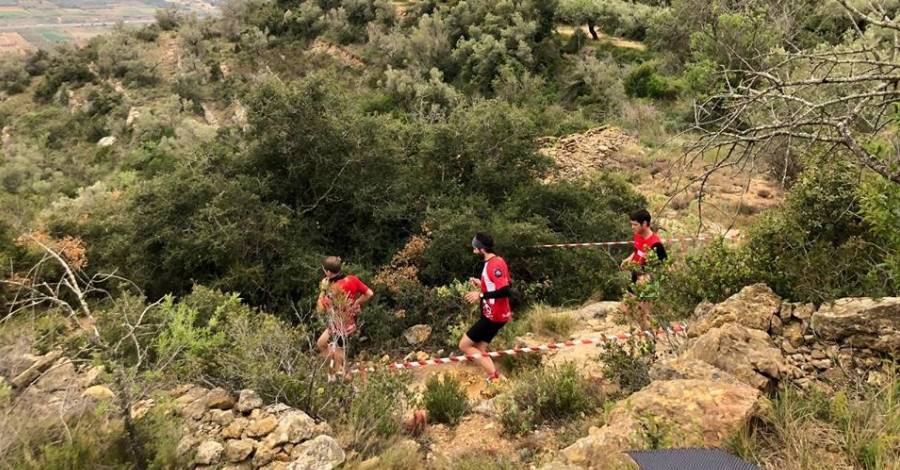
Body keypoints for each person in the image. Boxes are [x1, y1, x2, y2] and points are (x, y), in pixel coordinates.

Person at [461, 232, 512, 383]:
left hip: (493, 316)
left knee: (464, 345)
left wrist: (480, 295)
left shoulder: (493, 264)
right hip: (495, 314)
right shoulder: (495, 261)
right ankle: (496, 377)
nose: (473, 251)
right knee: (480, 348)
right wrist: (481, 283)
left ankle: (496, 376)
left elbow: (506, 290)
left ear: (481, 249)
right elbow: (505, 283)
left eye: (475, 248)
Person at [316, 256, 374, 377]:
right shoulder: (352, 279)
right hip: (342, 323)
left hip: (341, 326)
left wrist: (323, 290)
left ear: (328, 272)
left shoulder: (333, 289)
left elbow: (320, 309)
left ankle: (344, 379)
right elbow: (369, 293)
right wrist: (357, 303)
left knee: (340, 364)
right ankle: (337, 365)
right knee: (321, 343)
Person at [620, 209, 667, 329]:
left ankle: (653, 339)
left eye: (635, 224)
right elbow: (637, 250)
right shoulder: (638, 236)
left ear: (645, 224)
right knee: (626, 309)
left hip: (647, 281)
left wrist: (648, 277)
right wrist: (629, 259)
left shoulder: (655, 244)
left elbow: (664, 264)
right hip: (635, 277)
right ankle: (644, 335)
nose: (632, 227)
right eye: (631, 224)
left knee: (644, 314)